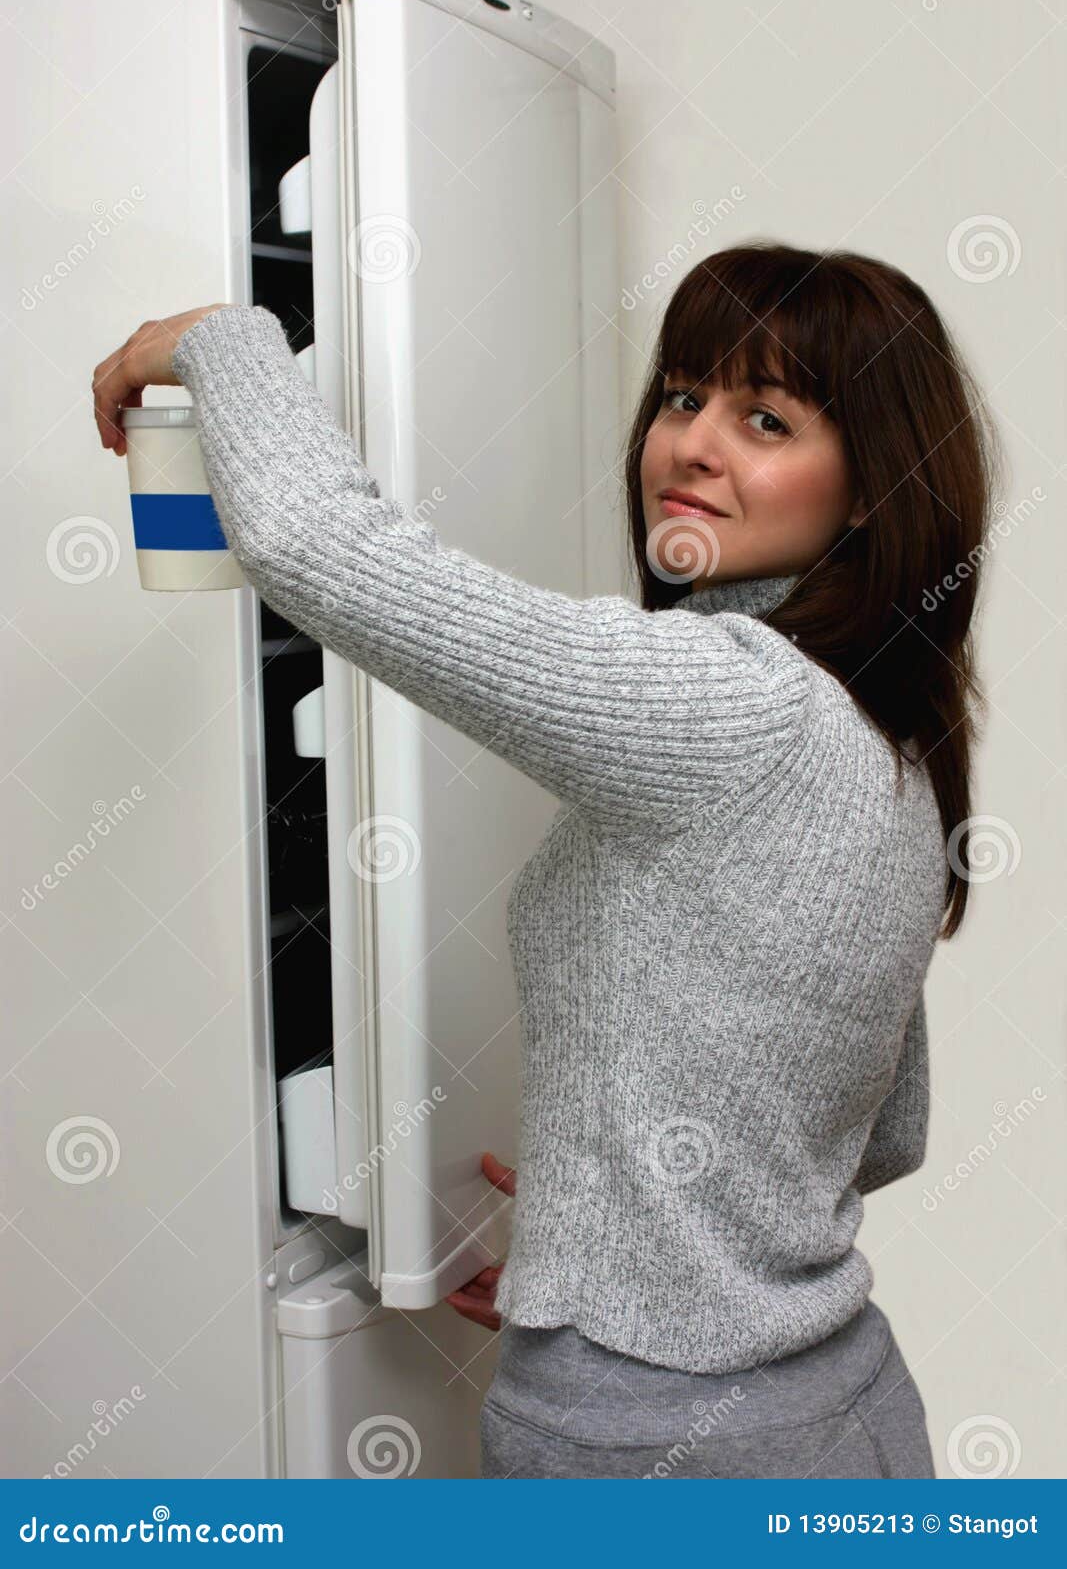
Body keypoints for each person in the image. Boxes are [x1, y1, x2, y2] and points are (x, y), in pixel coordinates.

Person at [92, 241, 1002, 1479]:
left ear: (866, 494)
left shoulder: (730, 702)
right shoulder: (885, 736)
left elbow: (318, 547)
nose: (691, 444)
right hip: (839, 1417)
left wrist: (218, 335)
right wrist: (604, 1239)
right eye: (682, 396)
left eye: (766, 419)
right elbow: (878, 1128)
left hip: (659, 1447)